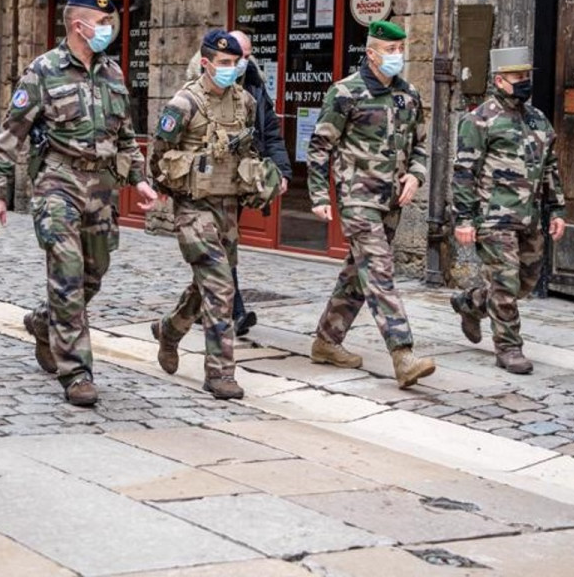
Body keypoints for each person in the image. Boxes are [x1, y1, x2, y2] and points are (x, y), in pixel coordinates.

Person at [0, 0, 156, 408]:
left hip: (100, 186)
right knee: (68, 272)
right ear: (79, 25)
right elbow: (9, 137)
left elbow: (125, 137)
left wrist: (141, 179)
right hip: (57, 183)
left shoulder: (113, 74)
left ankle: (45, 323)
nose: (109, 29)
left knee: (93, 273)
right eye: (102, 23)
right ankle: (76, 371)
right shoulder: (43, 71)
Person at [306, 20, 435, 389]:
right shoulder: (345, 92)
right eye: (391, 51)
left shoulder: (408, 94)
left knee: (358, 274)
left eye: (401, 50)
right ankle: (403, 354)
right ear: (371, 53)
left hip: (391, 199)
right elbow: (319, 147)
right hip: (357, 198)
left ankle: (326, 341)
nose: (398, 56)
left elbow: (420, 145)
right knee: (379, 270)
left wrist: (416, 175)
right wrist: (318, 196)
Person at [150, 29, 269, 400]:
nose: (231, 70)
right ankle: (220, 372)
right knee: (220, 286)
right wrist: (175, 193)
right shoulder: (183, 104)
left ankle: (170, 330)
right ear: (206, 63)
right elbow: (157, 160)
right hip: (193, 208)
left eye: (235, 63)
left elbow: (250, 148)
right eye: (224, 63)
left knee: (207, 287)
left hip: (228, 208)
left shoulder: (245, 102)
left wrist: (261, 178)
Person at [450, 46, 567, 374]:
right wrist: (464, 218)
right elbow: (463, 172)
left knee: (525, 282)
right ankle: (509, 348)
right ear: (500, 80)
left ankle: (470, 303)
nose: (525, 81)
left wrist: (557, 209)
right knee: (505, 283)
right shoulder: (479, 120)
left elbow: (550, 168)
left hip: (529, 218)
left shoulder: (538, 119)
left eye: (527, 76)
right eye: (518, 77)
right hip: (493, 218)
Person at [228, 30, 292, 336]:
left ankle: (193, 311)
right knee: (221, 245)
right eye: (238, 55)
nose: (243, 61)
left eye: (247, 55)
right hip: (208, 186)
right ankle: (235, 311)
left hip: (244, 178)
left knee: (217, 250)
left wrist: (281, 169)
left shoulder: (254, 83)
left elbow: (269, 128)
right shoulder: (198, 87)